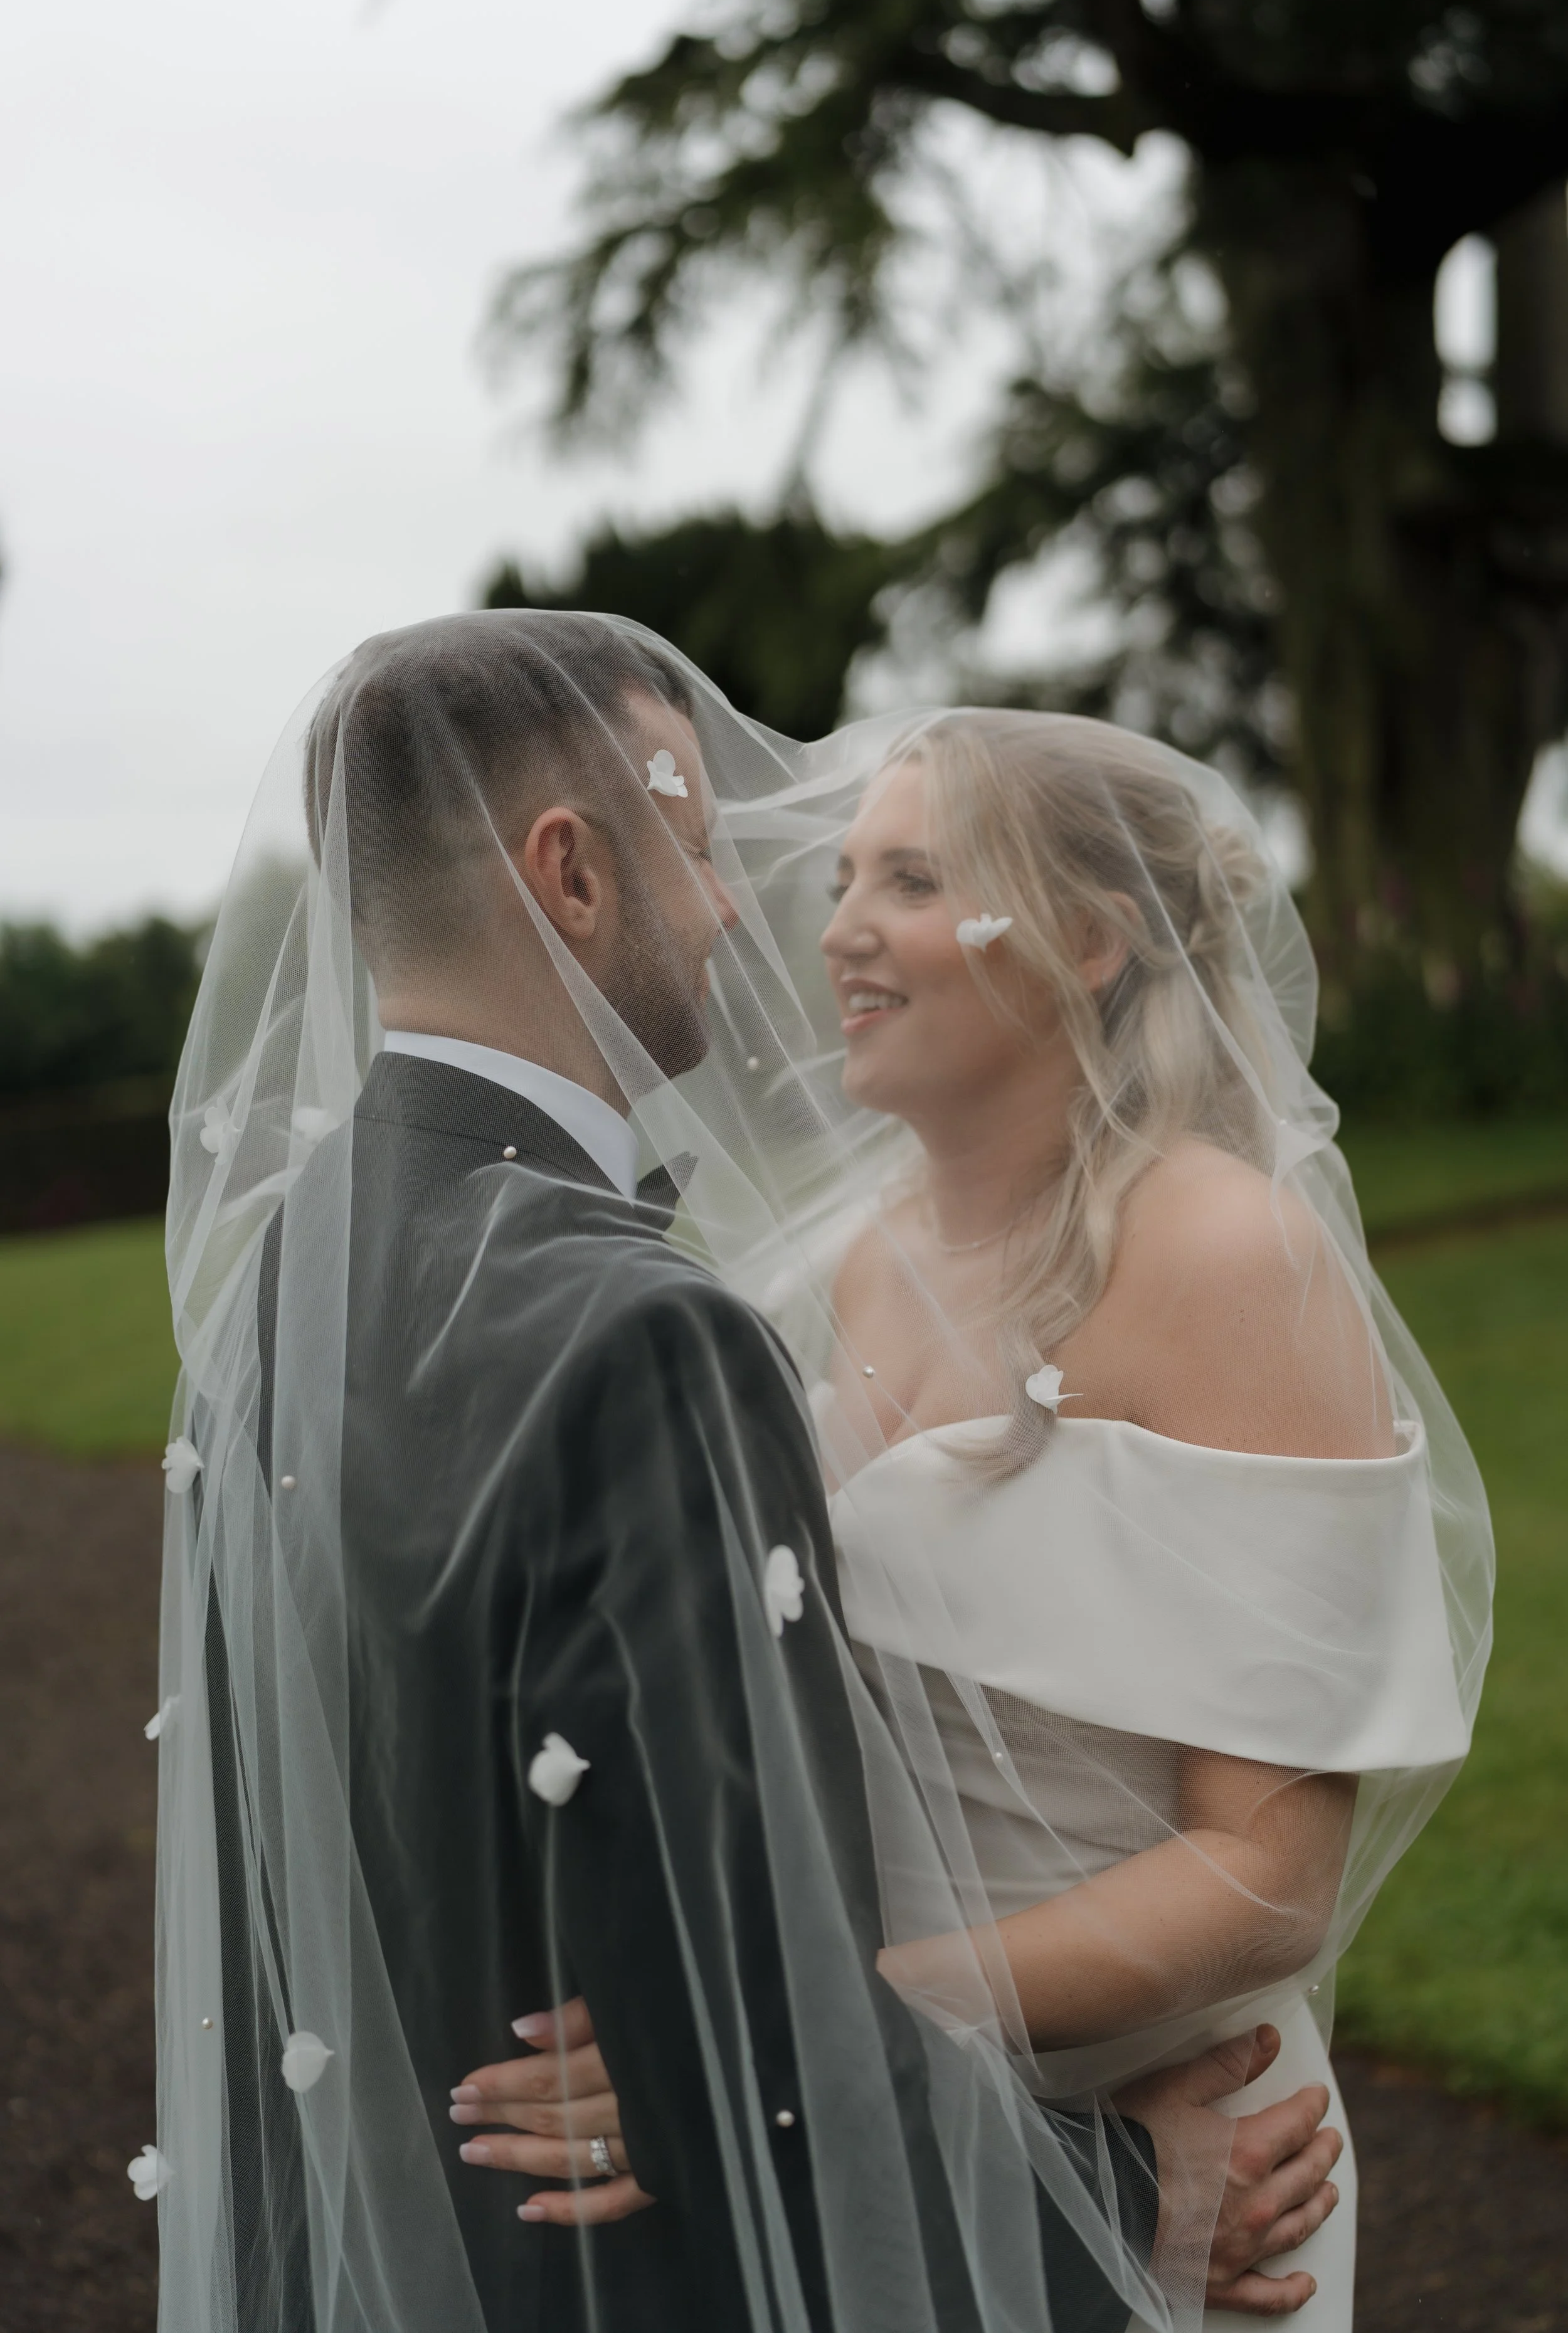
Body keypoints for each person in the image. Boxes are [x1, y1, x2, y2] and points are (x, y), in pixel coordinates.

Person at [147, 616, 1347, 2333]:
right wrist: (1132, 2189)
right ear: (569, 874)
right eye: (699, 844)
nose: (739, 909)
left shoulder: (272, 1290)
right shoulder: (644, 1333)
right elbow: (732, 2011)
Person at [480, 705, 1489, 2331]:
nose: (839, 926)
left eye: (914, 878)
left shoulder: (1223, 1255)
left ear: (1092, 941)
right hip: (900, 2133)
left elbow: (1264, 1876)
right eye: (847, 874)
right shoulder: (865, 1258)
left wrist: (812, 2027)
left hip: (1182, 2162)